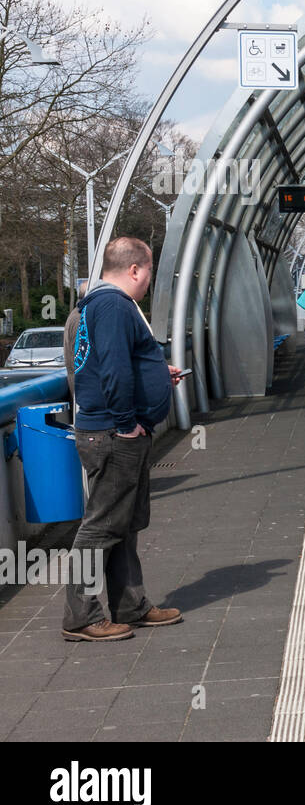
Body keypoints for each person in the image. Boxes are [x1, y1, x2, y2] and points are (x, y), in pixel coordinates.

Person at [62, 236, 184, 642]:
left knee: (123, 525)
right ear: (135, 270)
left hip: (110, 429)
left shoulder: (99, 304)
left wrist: (155, 373)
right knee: (99, 528)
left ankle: (131, 605)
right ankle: (81, 617)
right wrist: (127, 423)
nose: (149, 281)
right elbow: (113, 370)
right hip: (113, 434)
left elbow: (110, 363)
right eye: (149, 271)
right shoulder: (114, 305)